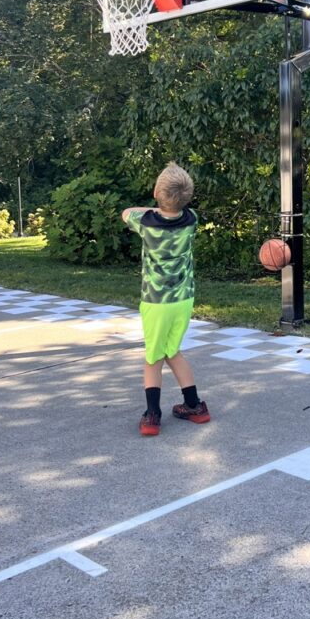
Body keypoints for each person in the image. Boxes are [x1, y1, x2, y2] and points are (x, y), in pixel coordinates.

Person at [121, 162, 210, 436]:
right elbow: (176, 208)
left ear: (155, 193)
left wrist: (153, 207)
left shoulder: (146, 221)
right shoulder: (191, 218)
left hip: (155, 301)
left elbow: (126, 213)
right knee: (172, 351)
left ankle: (152, 415)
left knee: (153, 357)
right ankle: (194, 406)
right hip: (183, 299)